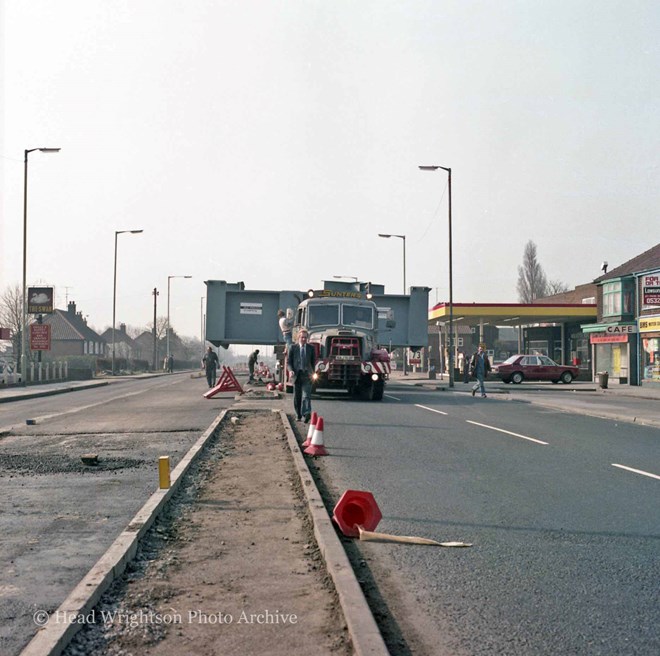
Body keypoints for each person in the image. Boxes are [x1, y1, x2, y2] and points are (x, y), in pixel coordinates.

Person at [286, 328, 316, 422]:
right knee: (297, 397)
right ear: (298, 337)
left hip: (307, 375)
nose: (304, 339)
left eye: (305, 337)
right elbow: (289, 362)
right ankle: (298, 414)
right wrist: (290, 371)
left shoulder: (311, 348)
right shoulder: (293, 348)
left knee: (306, 395)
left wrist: (313, 373)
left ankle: (307, 413)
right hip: (297, 375)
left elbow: (313, 362)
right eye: (302, 337)